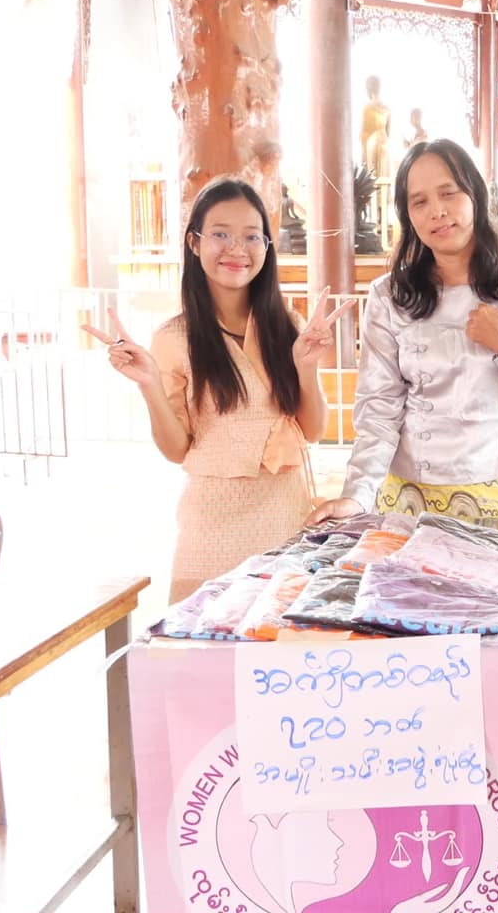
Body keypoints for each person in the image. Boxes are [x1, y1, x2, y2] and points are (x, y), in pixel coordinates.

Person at [87, 177, 355, 601]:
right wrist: (150, 384)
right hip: (211, 529)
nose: (237, 249)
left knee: (276, 636)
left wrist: (307, 367)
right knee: (200, 639)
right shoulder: (174, 338)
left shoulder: (288, 326)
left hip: (286, 518)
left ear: (267, 247)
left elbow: (312, 430)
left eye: (251, 236)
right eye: (221, 234)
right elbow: (177, 449)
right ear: (194, 243)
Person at [307, 138, 498, 524]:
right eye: (419, 202)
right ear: (407, 216)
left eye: (448, 193)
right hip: (405, 497)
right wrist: (356, 495)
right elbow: (379, 409)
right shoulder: (389, 295)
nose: (437, 211)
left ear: (475, 195)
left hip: (496, 498)